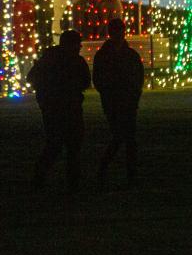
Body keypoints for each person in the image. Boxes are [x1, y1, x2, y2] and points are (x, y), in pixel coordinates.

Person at [27, 30, 90, 192]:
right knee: (68, 147)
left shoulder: (49, 59)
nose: (80, 47)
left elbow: (32, 77)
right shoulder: (72, 61)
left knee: (59, 146)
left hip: (56, 109)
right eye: (77, 44)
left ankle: (44, 177)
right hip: (65, 109)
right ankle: (70, 182)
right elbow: (85, 81)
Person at [93, 17, 144, 186]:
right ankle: (118, 170)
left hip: (124, 101)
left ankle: (125, 172)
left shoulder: (120, 55)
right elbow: (99, 80)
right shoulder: (113, 55)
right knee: (123, 136)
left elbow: (138, 77)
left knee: (126, 137)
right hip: (116, 101)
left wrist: (133, 94)